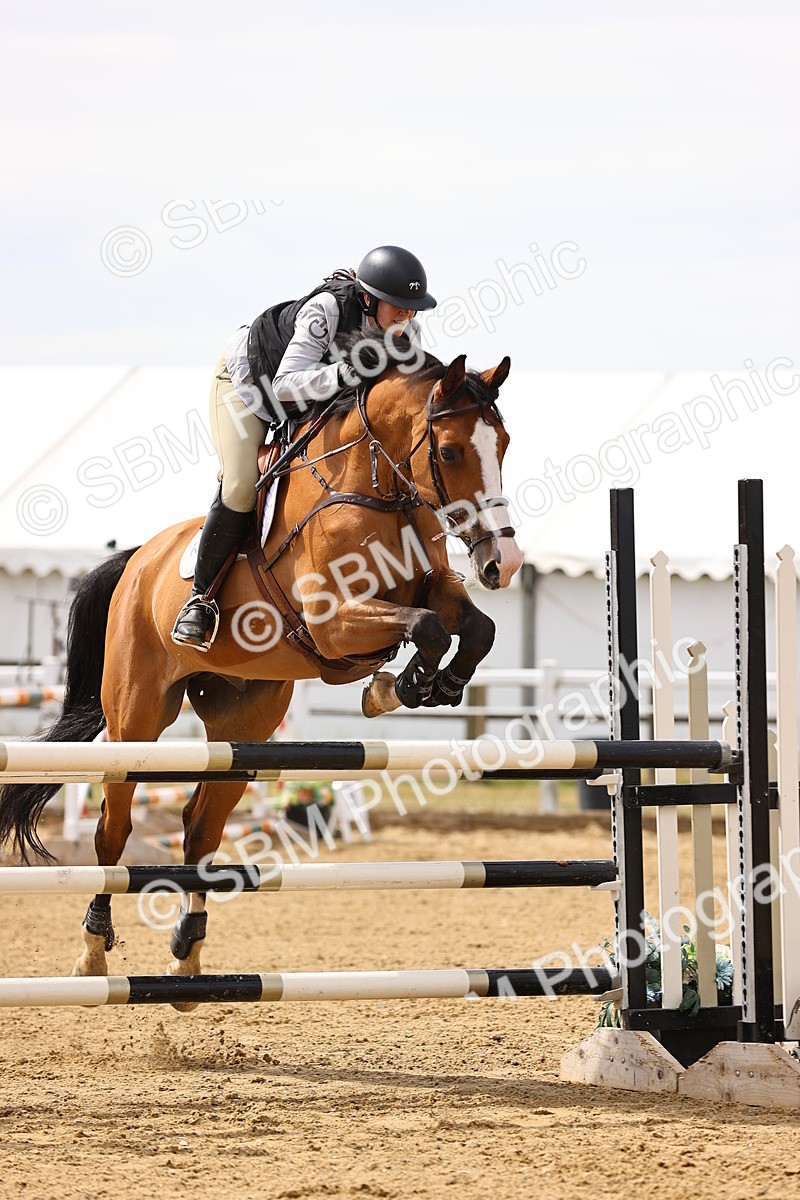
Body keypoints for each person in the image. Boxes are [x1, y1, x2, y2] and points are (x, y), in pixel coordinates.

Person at [171, 245, 437, 650]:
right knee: (242, 484)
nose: (405, 317)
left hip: (309, 401)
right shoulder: (325, 311)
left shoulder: (405, 332)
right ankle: (200, 602)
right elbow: (282, 385)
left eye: (412, 308)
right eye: (396, 306)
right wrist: (346, 372)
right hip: (250, 386)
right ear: (367, 298)